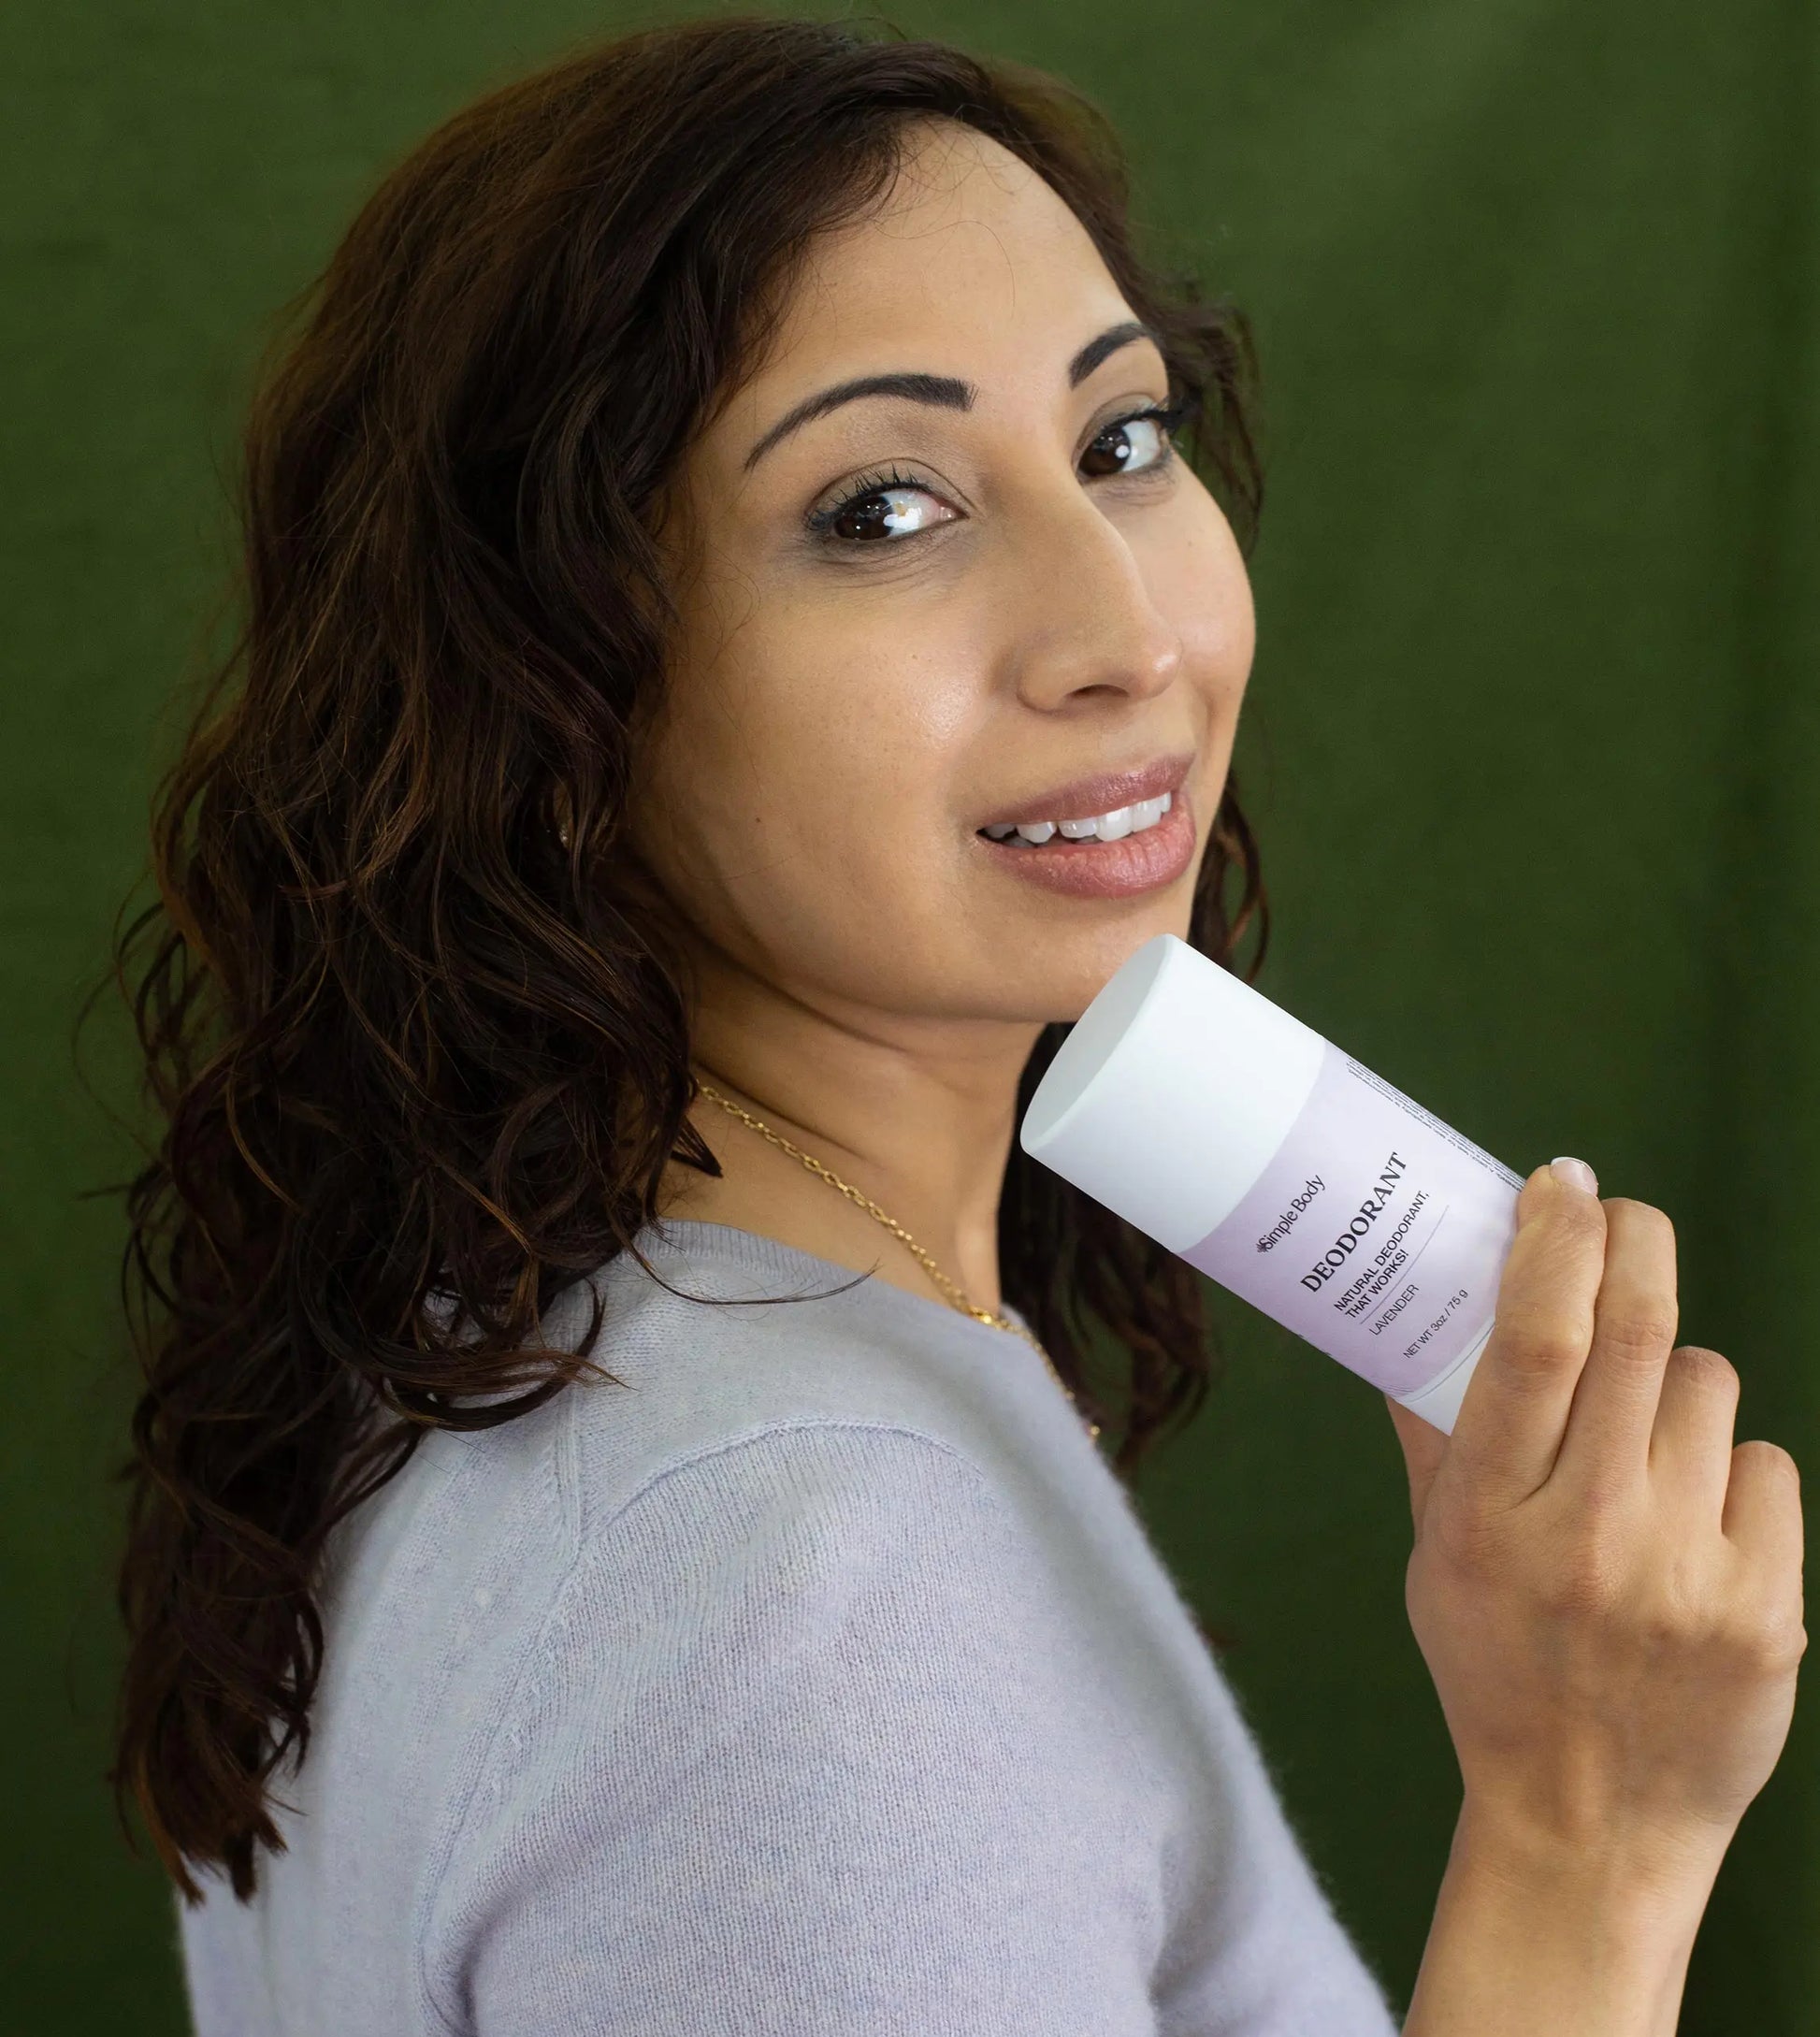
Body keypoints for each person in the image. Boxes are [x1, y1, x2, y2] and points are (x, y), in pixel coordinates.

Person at [108, 18, 1803, 2035]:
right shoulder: (812, 1587)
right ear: (549, 700)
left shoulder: (517, 1322)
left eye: (1120, 442)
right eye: (883, 510)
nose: (1129, 635)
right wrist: (1584, 1835)